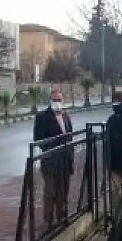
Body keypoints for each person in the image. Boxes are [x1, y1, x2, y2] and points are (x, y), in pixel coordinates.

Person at [33, 89, 75, 227]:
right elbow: (38, 139)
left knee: (63, 190)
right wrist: (54, 146)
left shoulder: (66, 116)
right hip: (50, 161)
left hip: (65, 161)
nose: (57, 103)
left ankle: (62, 217)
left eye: (59, 100)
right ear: (50, 101)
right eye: (55, 100)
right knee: (50, 191)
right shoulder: (42, 117)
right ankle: (48, 220)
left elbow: (70, 136)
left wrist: (70, 156)